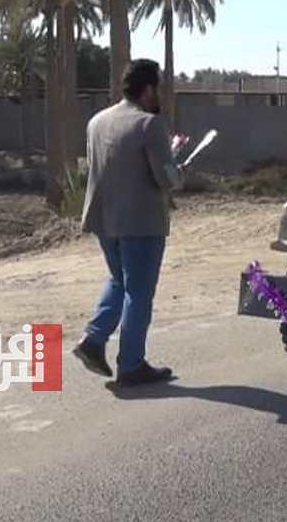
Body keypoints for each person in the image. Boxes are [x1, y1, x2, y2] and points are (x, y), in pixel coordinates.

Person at [73, 59, 185, 387]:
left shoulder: (97, 121)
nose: (160, 94)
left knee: (119, 280)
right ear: (148, 88)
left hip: (104, 220)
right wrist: (181, 175)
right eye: (159, 87)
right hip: (141, 222)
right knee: (139, 292)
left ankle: (93, 341)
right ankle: (131, 364)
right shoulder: (149, 125)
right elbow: (166, 179)